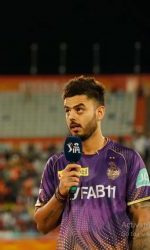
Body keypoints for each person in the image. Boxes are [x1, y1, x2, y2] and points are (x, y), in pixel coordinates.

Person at [33, 76, 150, 249]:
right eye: (67, 110)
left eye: (79, 110)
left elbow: (143, 219)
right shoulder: (56, 163)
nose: (71, 116)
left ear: (100, 112)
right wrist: (60, 193)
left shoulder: (128, 159)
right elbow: (42, 225)